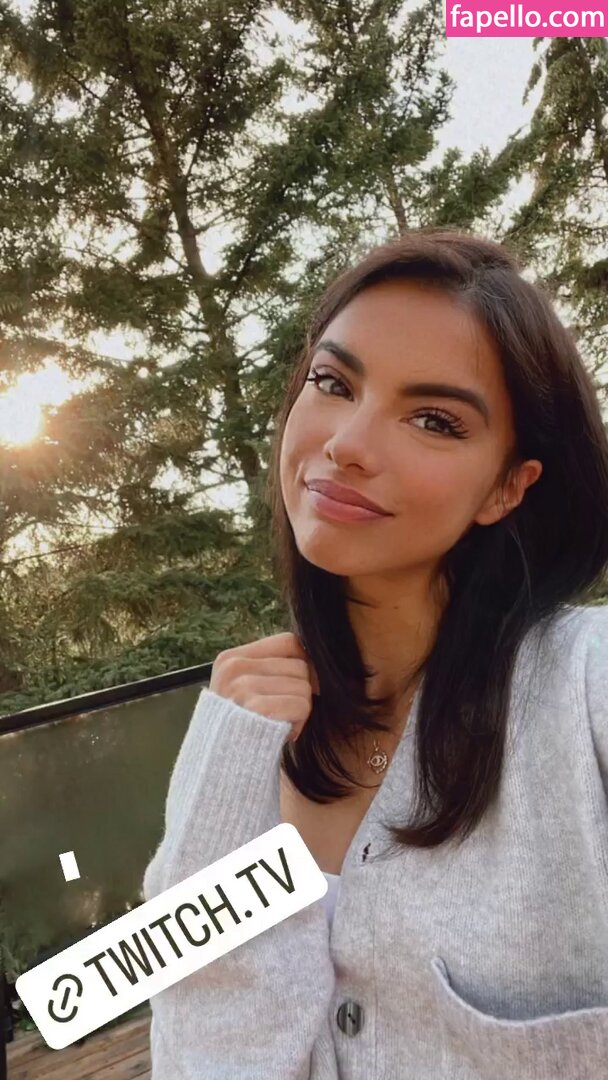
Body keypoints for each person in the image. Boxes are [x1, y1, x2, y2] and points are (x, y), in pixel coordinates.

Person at [142, 227, 608, 1078]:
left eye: (434, 420)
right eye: (333, 382)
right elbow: (201, 1053)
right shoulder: (242, 737)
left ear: (508, 486)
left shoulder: (587, 688)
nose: (348, 443)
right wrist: (223, 783)